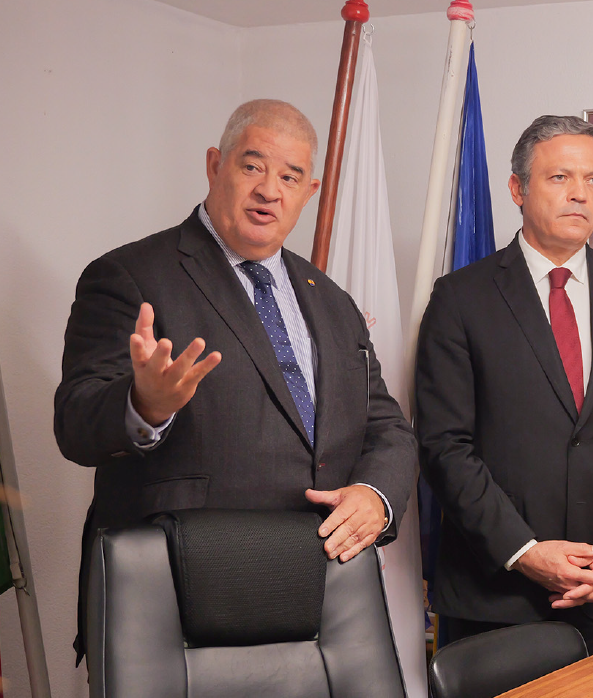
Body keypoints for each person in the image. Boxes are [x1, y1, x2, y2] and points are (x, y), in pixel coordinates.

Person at [55, 99, 418, 660]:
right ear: (214, 166)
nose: (269, 190)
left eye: (289, 177)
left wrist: (376, 495)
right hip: (180, 601)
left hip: (320, 598)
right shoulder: (128, 276)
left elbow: (387, 428)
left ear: (309, 192)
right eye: (253, 166)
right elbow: (76, 424)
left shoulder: (333, 300)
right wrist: (144, 405)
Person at [415, 115, 593, 656]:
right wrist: (525, 551)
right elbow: (445, 446)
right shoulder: (460, 298)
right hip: (494, 596)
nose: (580, 194)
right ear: (517, 189)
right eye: (560, 177)